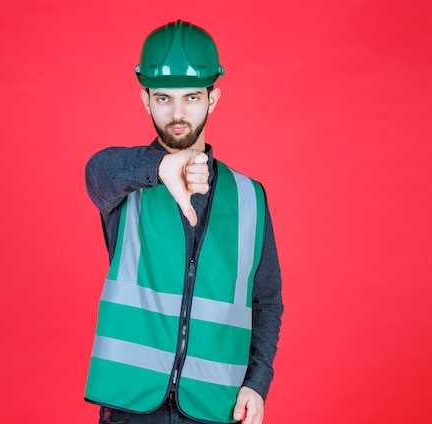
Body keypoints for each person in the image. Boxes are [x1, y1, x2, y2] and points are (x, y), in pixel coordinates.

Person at [84, 20, 283, 424]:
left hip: (215, 406)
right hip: (130, 407)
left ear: (212, 99)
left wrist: (257, 382)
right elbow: (96, 169)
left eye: (191, 97)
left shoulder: (250, 197)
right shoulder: (124, 183)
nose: (177, 113)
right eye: (163, 98)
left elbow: (266, 301)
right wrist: (159, 167)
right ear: (146, 101)